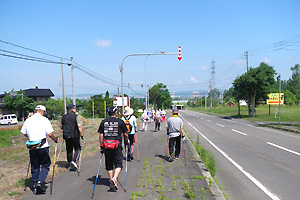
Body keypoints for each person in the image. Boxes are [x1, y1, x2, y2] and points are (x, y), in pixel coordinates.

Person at [21, 105, 59, 194]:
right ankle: (40, 181)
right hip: (42, 146)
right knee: (46, 164)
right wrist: (55, 139)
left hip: (32, 146)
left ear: (35, 111)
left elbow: (24, 133)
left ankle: (35, 185)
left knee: (34, 166)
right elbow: (50, 134)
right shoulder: (44, 120)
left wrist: (30, 137)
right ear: (42, 112)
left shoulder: (28, 120)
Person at [98, 106, 128, 190]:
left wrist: (101, 147)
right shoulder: (120, 122)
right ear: (116, 113)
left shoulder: (103, 122)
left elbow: (101, 135)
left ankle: (111, 181)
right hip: (116, 145)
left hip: (106, 145)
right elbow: (125, 134)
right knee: (118, 163)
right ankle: (114, 178)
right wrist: (126, 142)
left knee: (109, 164)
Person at [60, 104, 84, 171]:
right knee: (78, 148)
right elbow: (79, 126)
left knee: (69, 149)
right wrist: (82, 134)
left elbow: (61, 126)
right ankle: (74, 161)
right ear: (73, 109)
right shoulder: (76, 116)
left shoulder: (63, 117)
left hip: (66, 135)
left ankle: (70, 162)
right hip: (75, 135)